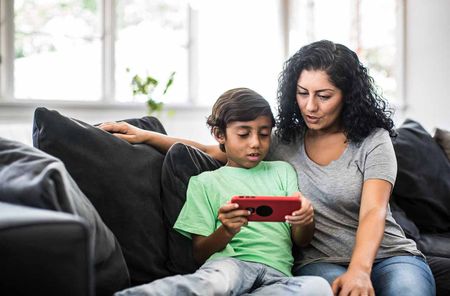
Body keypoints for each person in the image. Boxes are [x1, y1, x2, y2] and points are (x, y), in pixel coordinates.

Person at [100, 40, 436, 296]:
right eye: (302, 93)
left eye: (324, 95)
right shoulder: (282, 140)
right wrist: (145, 135)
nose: (310, 106)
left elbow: (373, 211)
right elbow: (213, 150)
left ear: (348, 96)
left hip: (389, 254)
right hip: (320, 262)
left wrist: (361, 270)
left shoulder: (373, 139)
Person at [103, 88, 332, 295]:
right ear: (219, 135)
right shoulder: (204, 183)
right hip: (230, 265)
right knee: (211, 283)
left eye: (264, 134)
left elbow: (301, 240)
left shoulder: (282, 171)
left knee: (318, 287)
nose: (255, 143)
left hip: (278, 275)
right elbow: (199, 253)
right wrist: (226, 230)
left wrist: (305, 220)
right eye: (244, 134)